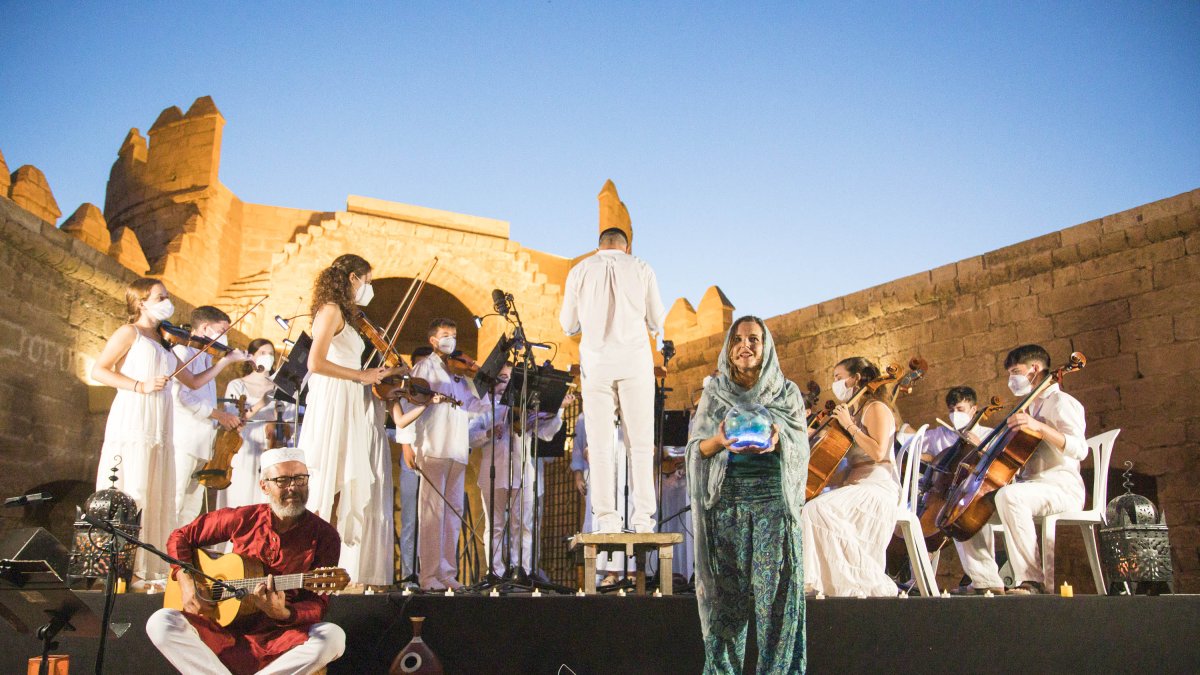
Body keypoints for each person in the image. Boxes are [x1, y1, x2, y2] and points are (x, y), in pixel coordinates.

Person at [90, 278, 249, 583]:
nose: (167, 301)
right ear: (141, 302)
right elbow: (100, 370)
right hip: (136, 415)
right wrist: (140, 385)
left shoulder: (166, 342)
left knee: (155, 490)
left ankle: (146, 568)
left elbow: (193, 381)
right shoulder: (130, 333)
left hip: (161, 424)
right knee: (133, 487)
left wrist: (225, 361)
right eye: (160, 296)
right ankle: (118, 567)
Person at [299, 254, 437, 588]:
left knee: (344, 480)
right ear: (351, 277)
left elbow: (356, 367)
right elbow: (315, 363)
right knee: (328, 478)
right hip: (334, 398)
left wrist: (386, 373)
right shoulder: (330, 310)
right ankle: (312, 567)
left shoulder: (347, 315)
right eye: (368, 280)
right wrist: (362, 375)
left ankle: (330, 567)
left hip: (349, 396)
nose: (369, 287)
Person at [145, 447, 346, 674]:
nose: (293, 487)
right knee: (161, 622)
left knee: (333, 638)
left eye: (300, 479)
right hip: (223, 630)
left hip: (279, 636)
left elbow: (317, 605)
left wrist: (283, 613)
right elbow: (180, 536)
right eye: (282, 480)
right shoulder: (243, 518)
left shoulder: (324, 535)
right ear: (264, 486)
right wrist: (187, 581)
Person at [688, 316, 808, 674]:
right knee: (727, 605)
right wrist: (720, 441)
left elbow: (800, 447)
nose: (746, 346)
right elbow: (697, 449)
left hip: (774, 505)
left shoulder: (786, 394)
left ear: (765, 346)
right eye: (738, 339)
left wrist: (778, 441)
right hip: (729, 506)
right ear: (729, 347)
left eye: (754, 339)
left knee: (777, 602)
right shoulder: (715, 394)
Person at [954, 344, 1087, 595]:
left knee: (1010, 496)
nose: (1010, 380)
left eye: (1015, 371)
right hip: (1031, 488)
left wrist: (1039, 427)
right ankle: (985, 580)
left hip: (1061, 488)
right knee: (965, 506)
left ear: (1035, 369)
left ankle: (1032, 581)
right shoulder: (1030, 408)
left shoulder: (1062, 402)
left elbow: (1080, 449)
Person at [559, 227, 666, 534]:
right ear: (626, 246)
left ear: (599, 245)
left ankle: (606, 519)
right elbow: (657, 320)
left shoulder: (580, 271)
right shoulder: (642, 267)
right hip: (634, 361)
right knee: (641, 443)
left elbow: (568, 324)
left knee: (600, 442)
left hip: (597, 362)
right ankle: (643, 520)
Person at [801, 356, 900, 597]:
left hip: (877, 487)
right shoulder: (853, 412)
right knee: (812, 506)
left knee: (817, 511)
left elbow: (877, 452)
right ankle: (832, 583)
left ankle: (868, 576)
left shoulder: (875, 408)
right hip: (856, 486)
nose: (835, 384)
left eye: (838, 378)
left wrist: (850, 426)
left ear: (855, 379)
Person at [410, 318, 491, 590]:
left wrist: (483, 380)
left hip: (457, 448)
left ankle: (447, 573)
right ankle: (429, 575)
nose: (451, 340)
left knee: (453, 511)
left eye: (454, 335)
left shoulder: (458, 374)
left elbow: (475, 407)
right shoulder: (424, 367)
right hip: (433, 445)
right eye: (446, 335)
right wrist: (408, 443)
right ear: (433, 340)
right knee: (432, 512)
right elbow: (410, 403)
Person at [469, 363, 571, 576]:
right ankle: (495, 571)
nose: (504, 383)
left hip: (522, 474)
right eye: (500, 378)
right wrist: (487, 434)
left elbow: (547, 433)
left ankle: (521, 569)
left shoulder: (524, 407)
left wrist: (558, 410)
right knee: (495, 526)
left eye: (508, 378)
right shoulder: (484, 407)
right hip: (493, 474)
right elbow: (469, 437)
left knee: (523, 525)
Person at [171, 305, 246, 529]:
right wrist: (217, 415)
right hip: (183, 441)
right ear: (204, 327)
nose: (226, 337)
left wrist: (226, 421)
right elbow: (179, 396)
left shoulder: (206, 358)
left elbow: (205, 401)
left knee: (191, 510)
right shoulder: (183, 353)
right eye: (222, 330)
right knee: (175, 500)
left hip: (202, 444)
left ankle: (178, 558)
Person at [216, 339, 295, 511]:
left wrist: (279, 414)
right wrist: (261, 402)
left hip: (271, 444)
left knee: (266, 498)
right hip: (244, 444)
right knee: (241, 495)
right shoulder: (237, 385)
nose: (268, 357)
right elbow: (233, 419)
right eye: (263, 353)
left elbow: (290, 422)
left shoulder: (280, 387)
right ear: (252, 357)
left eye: (271, 354)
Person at [570, 411, 635, 586]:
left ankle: (631, 571)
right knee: (603, 518)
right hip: (600, 470)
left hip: (626, 470)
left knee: (627, 513)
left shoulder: (627, 410)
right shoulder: (588, 414)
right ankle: (610, 571)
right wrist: (578, 475)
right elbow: (578, 447)